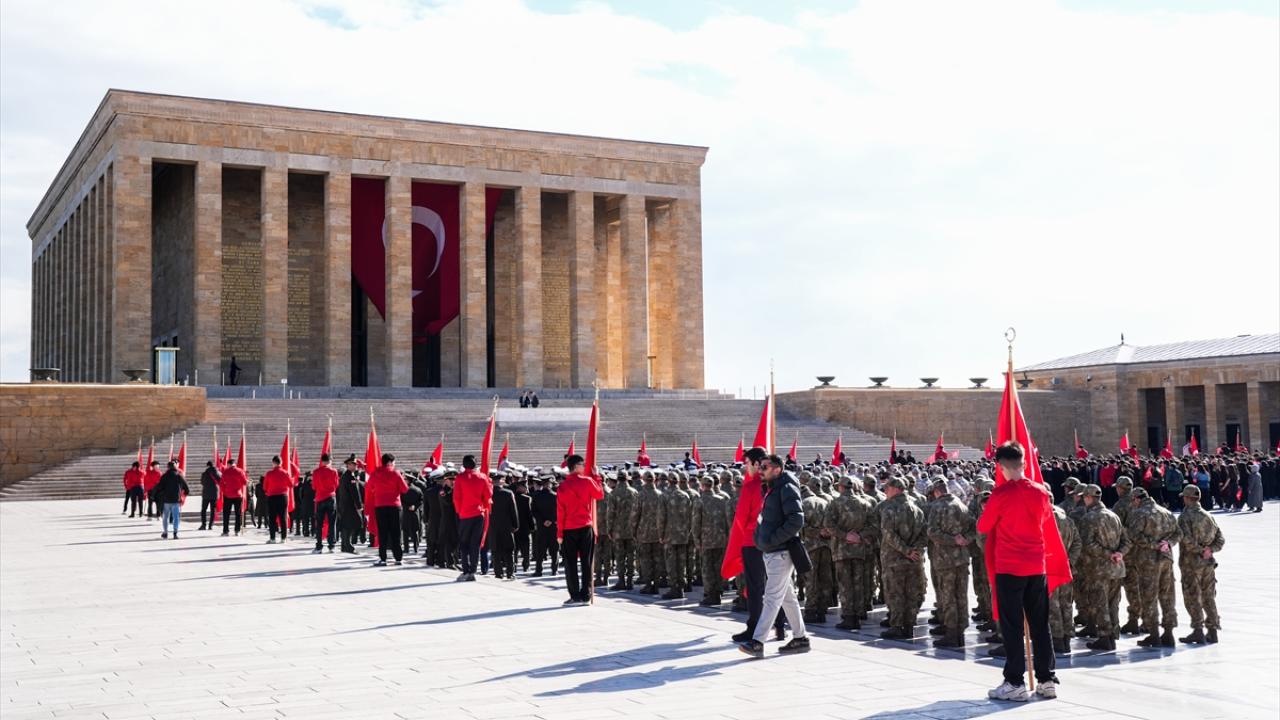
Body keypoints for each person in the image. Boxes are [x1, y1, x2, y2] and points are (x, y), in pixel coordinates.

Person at [976, 441, 1060, 702]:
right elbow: (1045, 520)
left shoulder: (1000, 495)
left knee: (1012, 627)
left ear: (1000, 467)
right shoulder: (1041, 492)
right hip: (1036, 565)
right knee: (1040, 624)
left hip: (1010, 567)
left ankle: (1015, 681)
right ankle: (1047, 679)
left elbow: (983, 525)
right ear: (1024, 463)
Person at [739, 453, 809, 658]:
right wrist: (761, 537)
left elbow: (796, 520)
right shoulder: (773, 489)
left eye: (765, 467)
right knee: (787, 599)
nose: (761, 470)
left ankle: (758, 641)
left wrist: (772, 540)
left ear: (777, 468)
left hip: (780, 552)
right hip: (772, 551)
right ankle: (801, 638)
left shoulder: (786, 488)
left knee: (770, 599)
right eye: (760, 466)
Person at [729, 448, 787, 643]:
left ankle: (754, 626)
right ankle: (779, 626)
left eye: (747, 463)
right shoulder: (774, 485)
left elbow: (741, 517)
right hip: (772, 541)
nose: (746, 468)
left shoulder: (751, 486)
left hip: (751, 541)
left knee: (755, 587)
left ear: (755, 464)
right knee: (776, 586)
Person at [1176, 485, 1224, 644]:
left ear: (1187, 498)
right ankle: (1212, 630)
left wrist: (1200, 550)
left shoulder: (1184, 517)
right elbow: (1220, 539)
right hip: (1208, 563)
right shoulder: (1209, 516)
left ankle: (1198, 630)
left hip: (1191, 564)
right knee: (1209, 596)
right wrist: (1210, 550)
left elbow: (1186, 540)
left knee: (1192, 596)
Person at [557, 454, 604, 604]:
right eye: (582, 465)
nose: (584, 467)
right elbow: (600, 494)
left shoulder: (563, 486)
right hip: (585, 526)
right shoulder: (588, 481)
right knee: (586, 562)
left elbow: (560, 512)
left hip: (568, 528)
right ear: (576, 466)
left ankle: (575, 595)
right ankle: (586, 595)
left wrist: (559, 533)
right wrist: (597, 477)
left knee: (570, 564)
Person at [453, 455, 492, 581]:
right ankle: (473, 571)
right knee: (475, 544)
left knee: (464, 543)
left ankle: (466, 569)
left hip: (465, 514)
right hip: (478, 513)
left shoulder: (460, 478)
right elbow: (488, 495)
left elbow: (456, 497)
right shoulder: (482, 477)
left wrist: (459, 511)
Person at [367, 453, 409, 566]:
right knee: (396, 532)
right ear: (390, 462)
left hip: (380, 506)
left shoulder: (375, 473)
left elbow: (369, 486)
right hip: (394, 506)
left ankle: (383, 558)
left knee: (382, 532)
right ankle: (398, 558)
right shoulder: (396, 473)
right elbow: (405, 489)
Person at [489, 473, 520, 580]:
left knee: (495, 551)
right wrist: (515, 524)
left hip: (492, 526)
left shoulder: (489, 494)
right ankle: (510, 573)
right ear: (502, 481)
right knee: (509, 550)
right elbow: (513, 511)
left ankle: (498, 573)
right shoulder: (508, 493)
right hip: (507, 526)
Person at [155, 461, 190, 540]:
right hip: (176, 500)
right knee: (176, 517)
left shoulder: (164, 476)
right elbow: (186, 488)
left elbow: (160, 487)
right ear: (175, 467)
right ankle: (175, 532)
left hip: (166, 500)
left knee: (165, 517)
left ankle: (165, 532)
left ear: (168, 467)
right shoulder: (179, 476)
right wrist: (183, 495)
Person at [311, 453, 340, 553]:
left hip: (319, 498)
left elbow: (313, 487)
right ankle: (331, 546)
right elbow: (336, 485)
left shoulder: (316, 472)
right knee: (332, 523)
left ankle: (319, 546)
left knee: (319, 524)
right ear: (330, 461)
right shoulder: (334, 471)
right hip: (331, 497)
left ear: (322, 461)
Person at [532, 476, 559, 576]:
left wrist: (543, 520)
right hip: (553, 527)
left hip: (541, 526)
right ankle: (554, 569)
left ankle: (539, 570)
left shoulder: (536, 496)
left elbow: (534, 511)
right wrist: (551, 520)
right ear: (550, 484)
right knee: (554, 549)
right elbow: (559, 511)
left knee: (540, 549)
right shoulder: (556, 495)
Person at [263, 456, 293, 543]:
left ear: (274, 463)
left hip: (272, 497)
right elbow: (291, 485)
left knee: (272, 518)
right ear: (281, 463)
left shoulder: (269, 473)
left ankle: (272, 538)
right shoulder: (285, 473)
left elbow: (265, 487)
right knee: (283, 517)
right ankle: (283, 538)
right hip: (283, 497)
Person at [337, 455, 364, 553]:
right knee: (351, 525)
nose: (356, 466)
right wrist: (359, 505)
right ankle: (348, 546)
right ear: (348, 465)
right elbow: (355, 493)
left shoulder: (345, 476)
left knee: (346, 525)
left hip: (344, 504)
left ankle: (345, 545)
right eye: (353, 464)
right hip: (349, 505)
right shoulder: (350, 477)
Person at [218, 459, 248, 536]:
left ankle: (226, 531)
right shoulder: (240, 471)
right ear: (234, 464)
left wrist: (225, 491)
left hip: (228, 495)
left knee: (226, 514)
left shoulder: (226, 472)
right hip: (238, 494)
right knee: (238, 513)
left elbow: (221, 484)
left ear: (228, 464)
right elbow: (245, 482)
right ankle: (237, 530)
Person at [198, 461, 221, 530]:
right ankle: (211, 525)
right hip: (214, 493)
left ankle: (203, 525)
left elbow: (202, 482)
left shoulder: (204, 474)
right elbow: (220, 481)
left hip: (206, 494)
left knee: (203, 510)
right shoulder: (218, 473)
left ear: (207, 466)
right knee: (213, 510)